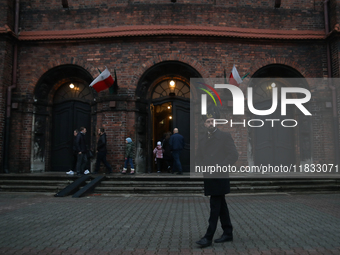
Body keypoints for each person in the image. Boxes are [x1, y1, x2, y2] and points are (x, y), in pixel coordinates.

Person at [195, 105, 239, 248]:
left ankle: (208, 237)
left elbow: (233, 155)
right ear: (204, 123)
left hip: (219, 176)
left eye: (212, 121)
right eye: (208, 121)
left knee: (215, 207)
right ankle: (228, 232)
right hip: (209, 176)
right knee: (221, 206)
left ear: (216, 122)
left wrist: (220, 166)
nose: (210, 123)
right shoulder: (202, 139)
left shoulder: (224, 136)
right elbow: (198, 157)